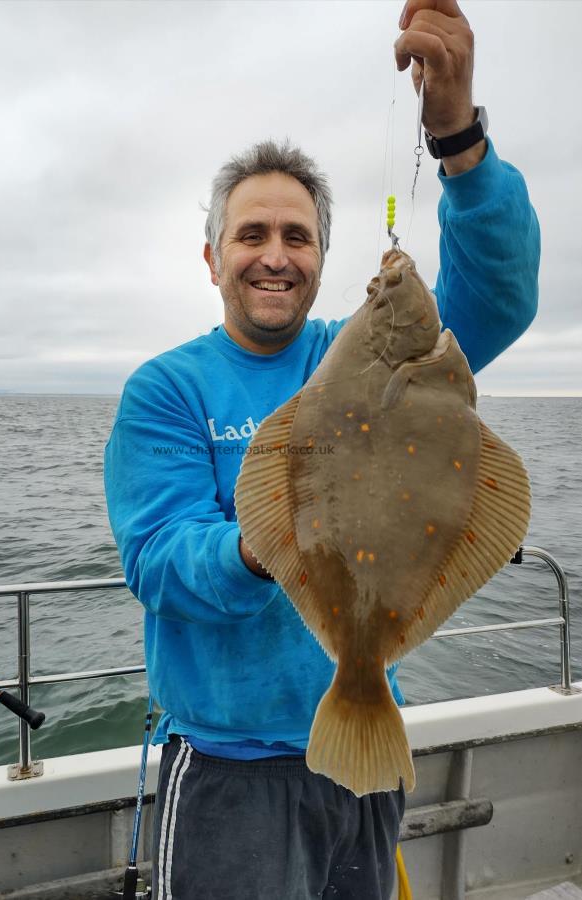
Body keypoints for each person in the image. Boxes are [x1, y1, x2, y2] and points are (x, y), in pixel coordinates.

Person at [104, 1, 540, 896]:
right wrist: (267, 547)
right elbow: (156, 558)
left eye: (296, 236)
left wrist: (455, 136)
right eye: (251, 235)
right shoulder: (168, 388)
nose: (275, 255)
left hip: (365, 754)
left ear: (322, 254)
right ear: (211, 257)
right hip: (229, 768)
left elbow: (497, 292)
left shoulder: (393, 355)